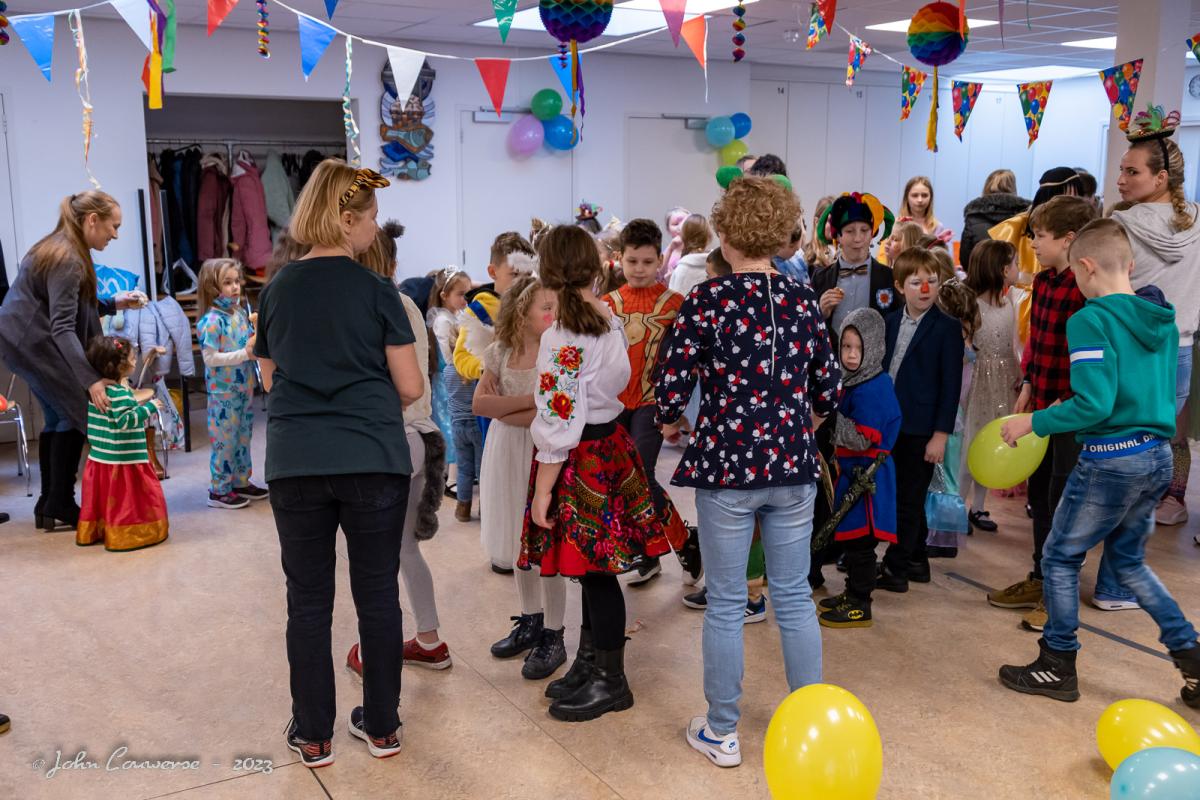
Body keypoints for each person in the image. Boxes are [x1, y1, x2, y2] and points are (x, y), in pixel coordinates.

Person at [656, 177, 841, 769]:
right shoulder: (803, 299)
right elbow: (829, 387)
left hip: (728, 467)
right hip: (792, 465)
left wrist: (674, 421)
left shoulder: (706, 301)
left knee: (728, 602)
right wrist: (802, 422)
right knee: (793, 596)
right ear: (782, 233)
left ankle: (722, 730)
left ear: (726, 234)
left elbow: (669, 390)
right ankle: (811, 721)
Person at [254, 160, 423, 766]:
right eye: (372, 216)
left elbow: (268, 379)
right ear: (346, 218)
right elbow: (410, 386)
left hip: (296, 459)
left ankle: (313, 733)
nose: (376, 228)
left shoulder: (276, 290)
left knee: (307, 599)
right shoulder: (378, 292)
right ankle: (382, 727)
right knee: (377, 592)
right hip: (372, 455)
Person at [997, 218, 1200, 705]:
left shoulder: (1089, 320)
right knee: (1128, 564)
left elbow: (1093, 404)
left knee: (1059, 557)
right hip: (1156, 457)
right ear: (1128, 265)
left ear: (1086, 267)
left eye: (1076, 274)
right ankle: (1191, 655)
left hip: (1111, 459)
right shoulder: (1162, 318)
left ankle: (1056, 663)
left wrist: (1034, 422)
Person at [521, 224, 672, 723]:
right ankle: (590, 663)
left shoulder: (562, 335)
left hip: (580, 458)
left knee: (597, 575)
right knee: (593, 573)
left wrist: (543, 491)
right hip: (610, 446)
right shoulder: (610, 319)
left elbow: (557, 419)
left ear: (547, 275)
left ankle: (611, 679)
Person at [988, 195, 1138, 630]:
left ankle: (1058, 594)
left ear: (1070, 240)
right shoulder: (1044, 282)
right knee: (1040, 498)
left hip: (1072, 413)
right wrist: (1029, 384)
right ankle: (1040, 577)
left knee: (1063, 503)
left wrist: (1067, 398)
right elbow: (1037, 342)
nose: (1033, 243)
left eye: (1040, 236)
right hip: (1042, 405)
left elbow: (1092, 357)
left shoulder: (1084, 287)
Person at [0, 191, 147, 530]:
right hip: (33, 343)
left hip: (24, 340)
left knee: (58, 418)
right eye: (113, 226)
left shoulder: (64, 246)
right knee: (76, 413)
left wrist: (114, 303)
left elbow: (75, 302)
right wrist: (90, 380)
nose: (115, 234)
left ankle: (48, 504)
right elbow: (63, 326)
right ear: (92, 220)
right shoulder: (67, 258)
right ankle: (60, 502)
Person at [346, 221, 452, 673]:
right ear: (392, 263)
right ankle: (429, 639)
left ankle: (375, 650)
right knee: (405, 548)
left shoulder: (369, 305)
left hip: (389, 441)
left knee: (375, 558)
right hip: (421, 437)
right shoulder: (406, 302)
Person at [476, 275, 568, 681]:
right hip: (505, 452)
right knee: (518, 540)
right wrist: (530, 402)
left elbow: (554, 412)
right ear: (521, 312)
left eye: (555, 306)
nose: (553, 313)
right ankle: (531, 619)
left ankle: (555, 632)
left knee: (545, 542)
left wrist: (507, 407)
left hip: (543, 452)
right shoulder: (500, 352)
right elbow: (480, 404)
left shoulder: (558, 353)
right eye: (545, 307)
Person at [1112, 123, 1200, 527]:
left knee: (1122, 446)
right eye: (1122, 169)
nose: (1121, 179)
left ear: (1161, 177)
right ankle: (1155, 511)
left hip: (1133, 348)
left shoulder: (1122, 223)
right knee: (1162, 442)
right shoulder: (1196, 222)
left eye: (1132, 171)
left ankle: (1122, 523)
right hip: (1180, 348)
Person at [604, 219, 692, 586]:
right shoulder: (607, 304)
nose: (639, 269)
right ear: (619, 259)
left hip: (653, 403)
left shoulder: (675, 304)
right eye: (632, 261)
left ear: (660, 260)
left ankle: (685, 543)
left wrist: (679, 412)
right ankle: (645, 551)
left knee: (640, 477)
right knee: (617, 479)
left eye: (647, 261)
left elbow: (686, 362)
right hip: (612, 405)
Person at [876, 249, 963, 592]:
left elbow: (951, 387)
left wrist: (940, 434)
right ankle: (916, 560)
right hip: (891, 423)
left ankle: (896, 569)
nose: (925, 288)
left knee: (909, 500)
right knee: (902, 494)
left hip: (922, 428)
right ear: (899, 286)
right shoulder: (889, 322)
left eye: (932, 281)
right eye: (916, 282)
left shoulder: (947, 328)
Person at [817, 308, 900, 629]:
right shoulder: (854, 380)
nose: (851, 355)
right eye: (846, 347)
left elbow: (863, 438)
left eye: (859, 348)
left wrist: (830, 417)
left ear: (875, 348)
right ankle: (852, 592)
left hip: (868, 479)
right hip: (853, 475)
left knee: (862, 545)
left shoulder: (874, 387)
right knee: (853, 543)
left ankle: (860, 603)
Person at [75, 335, 168, 551]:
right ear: (120, 367)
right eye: (133, 359)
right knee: (130, 500)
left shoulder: (96, 392)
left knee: (105, 499)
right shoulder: (120, 394)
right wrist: (150, 407)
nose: (135, 363)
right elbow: (125, 421)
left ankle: (99, 530)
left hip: (101, 457)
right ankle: (128, 535)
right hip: (125, 459)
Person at [195, 258, 265, 510]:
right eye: (227, 283)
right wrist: (244, 354)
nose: (235, 287)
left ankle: (240, 481)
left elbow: (248, 342)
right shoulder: (211, 321)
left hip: (244, 388)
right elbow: (210, 359)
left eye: (237, 281)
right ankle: (219, 489)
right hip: (222, 393)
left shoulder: (240, 314)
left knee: (243, 437)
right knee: (224, 441)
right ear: (212, 287)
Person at [960, 240, 1021, 532]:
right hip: (978, 384)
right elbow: (965, 349)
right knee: (971, 444)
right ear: (1003, 270)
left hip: (1003, 381)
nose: (1019, 269)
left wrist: (1017, 371)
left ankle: (979, 507)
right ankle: (957, 507)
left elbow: (1010, 344)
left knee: (991, 443)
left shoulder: (1009, 303)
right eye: (1016, 263)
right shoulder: (973, 306)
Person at [989, 167, 1083, 344]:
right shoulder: (1017, 227)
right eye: (1068, 195)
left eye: (1077, 196)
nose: (1073, 202)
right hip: (1021, 304)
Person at [811, 192, 901, 341]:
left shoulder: (889, 277)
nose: (858, 238)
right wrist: (820, 311)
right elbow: (807, 328)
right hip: (831, 353)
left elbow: (896, 326)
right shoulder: (820, 278)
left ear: (872, 234)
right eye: (849, 231)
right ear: (838, 236)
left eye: (864, 230)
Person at [429, 268, 479, 523]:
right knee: (453, 429)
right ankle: (453, 480)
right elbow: (450, 356)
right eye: (461, 294)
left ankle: (460, 488)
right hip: (452, 381)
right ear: (444, 294)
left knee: (459, 435)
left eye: (468, 294)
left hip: (457, 379)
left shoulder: (456, 316)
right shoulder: (443, 321)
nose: (465, 299)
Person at [959, 169, 1030, 269]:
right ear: (1013, 188)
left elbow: (965, 259)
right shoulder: (1026, 216)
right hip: (1015, 276)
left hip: (982, 276)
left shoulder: (973, 215)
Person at [668, 214, 713, 297]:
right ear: (708, 236)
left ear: (683, 237)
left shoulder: (681, 270)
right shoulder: (718, 265)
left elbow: (674, 302)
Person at [802, 195, 837, 273]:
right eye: (830, 221)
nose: (835, 226)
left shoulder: (845, 252)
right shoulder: (806, 254)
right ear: (817, 222)